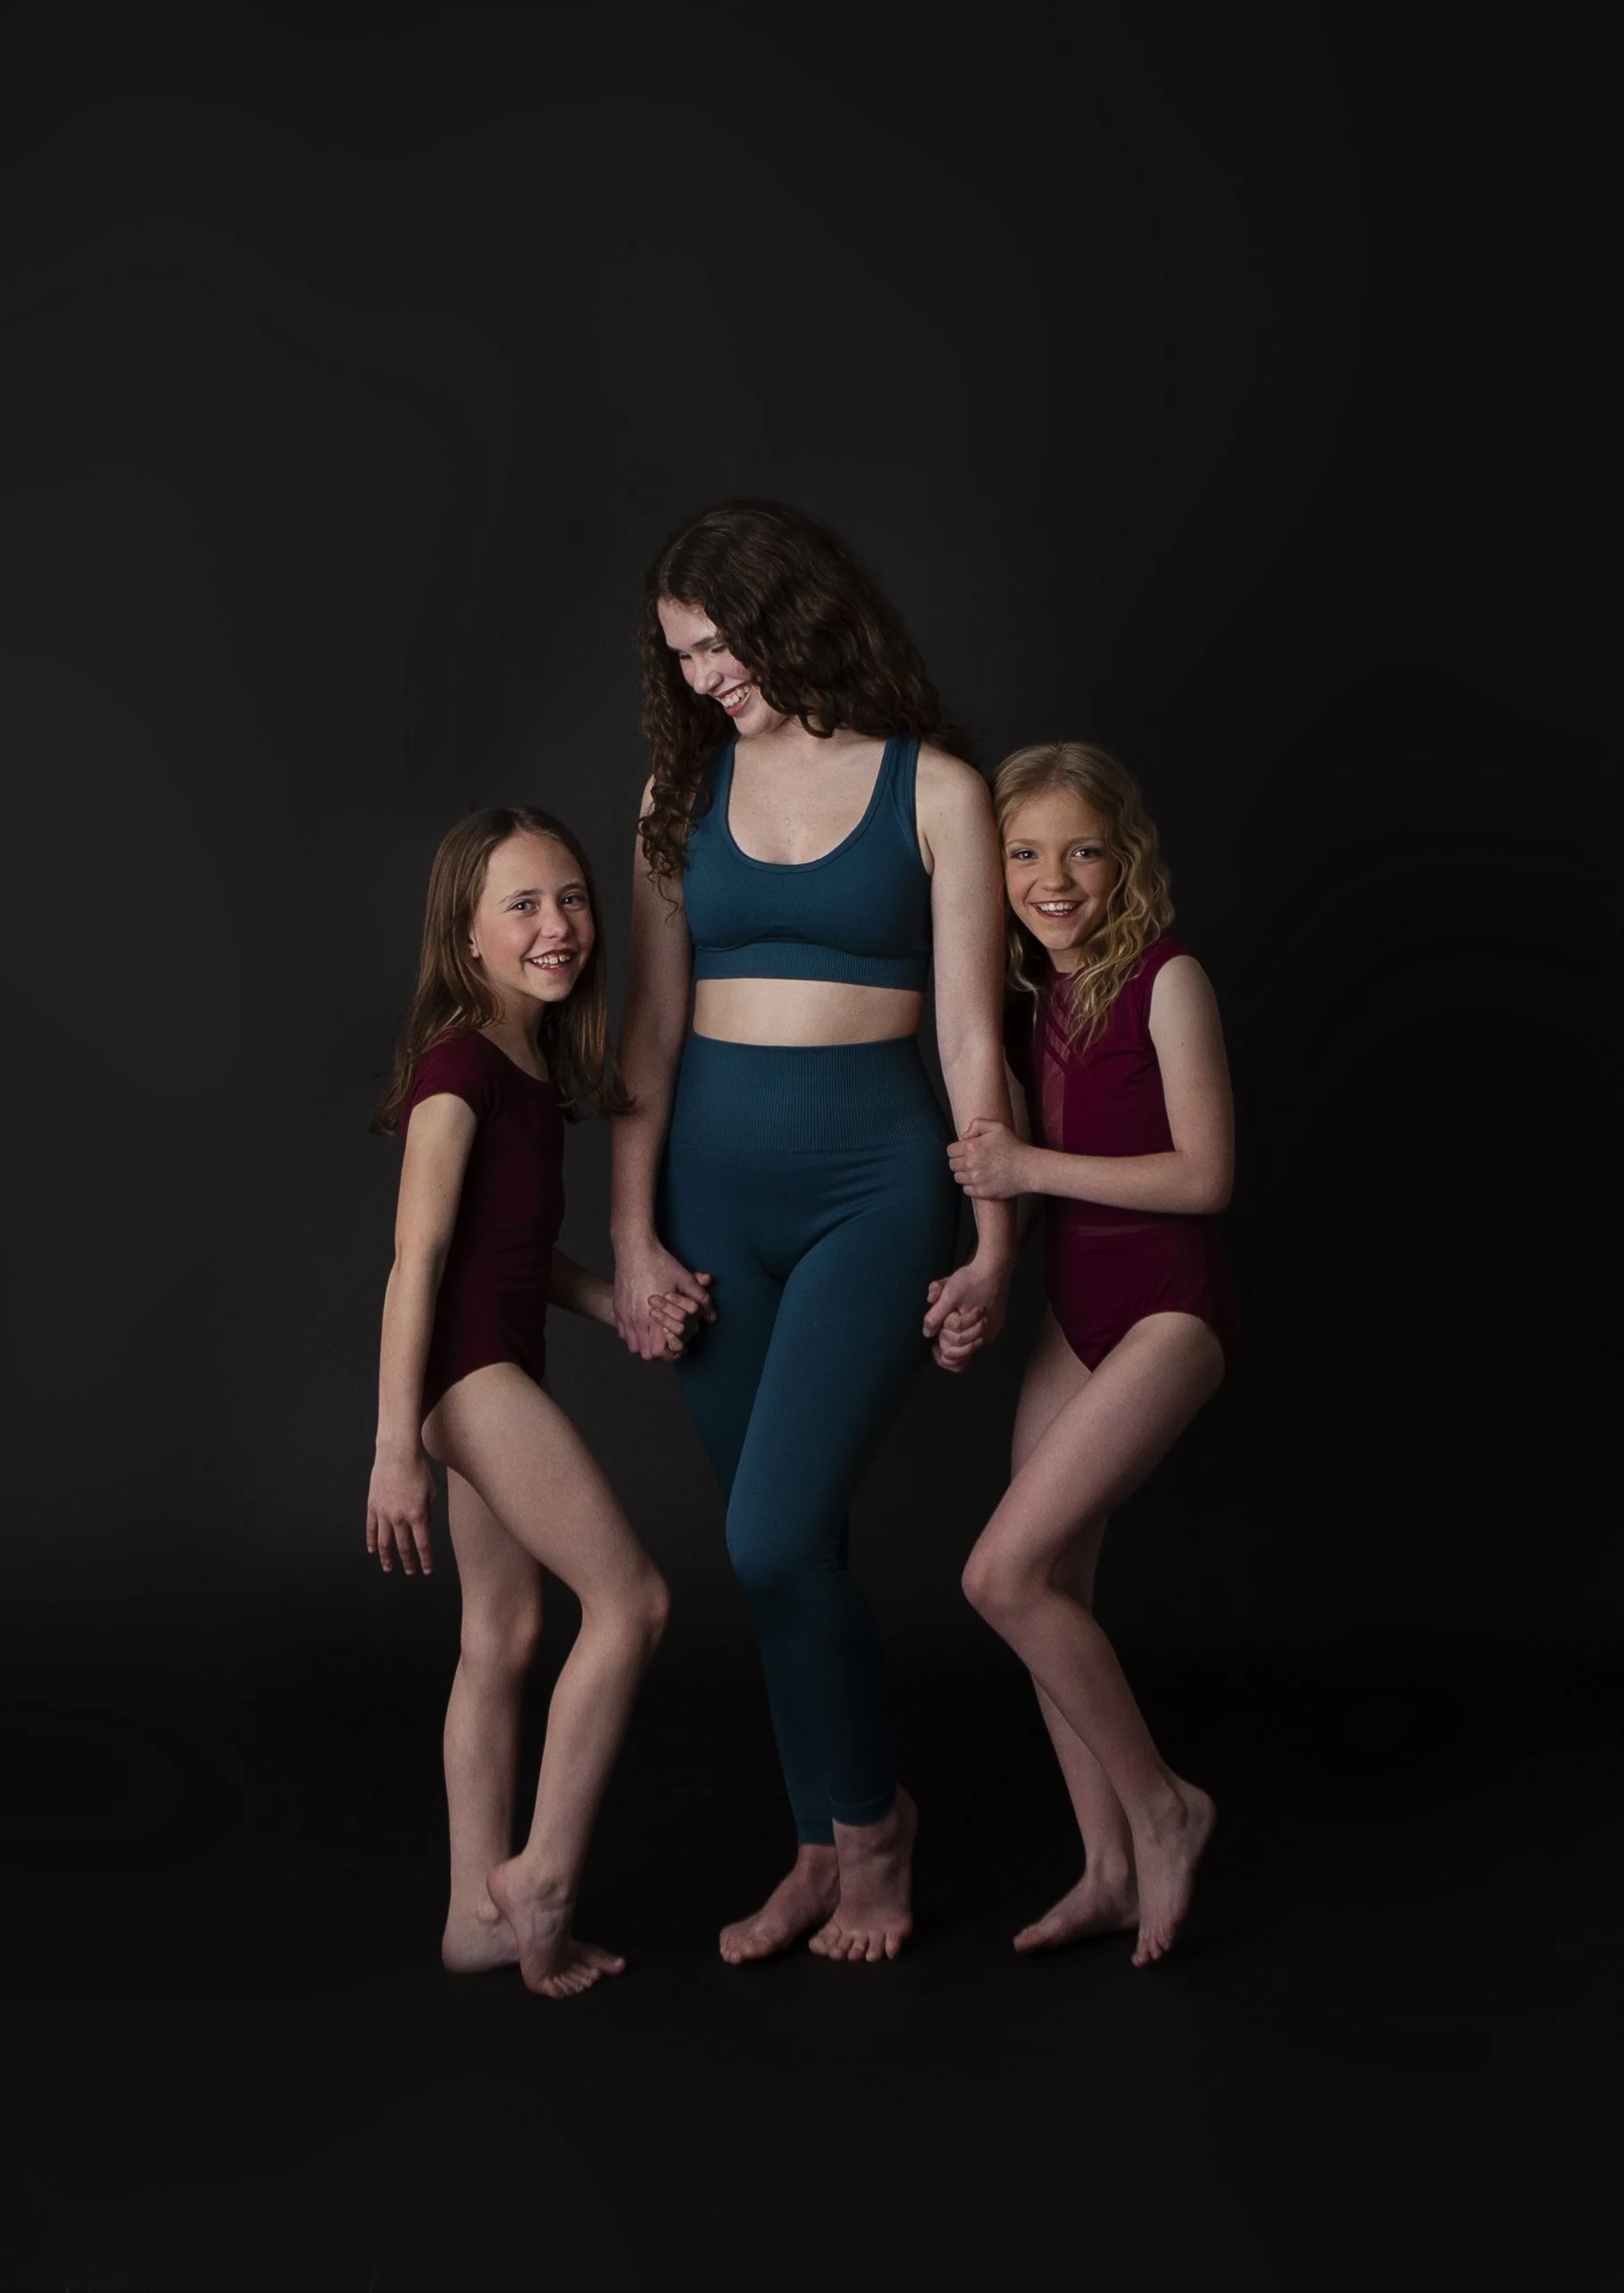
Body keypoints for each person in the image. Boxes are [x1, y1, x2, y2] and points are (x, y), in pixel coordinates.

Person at [612, 501, 1014, 1965]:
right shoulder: (677, 791)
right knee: (790, 1551)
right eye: (681, 654)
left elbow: (973, 1034)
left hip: (872, 1190)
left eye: (717, 643)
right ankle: (817, 1844)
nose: (703, 675)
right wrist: (635, 1234)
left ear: (789, 616)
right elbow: (645, 1036)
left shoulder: (939, 791)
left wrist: (994, 1237)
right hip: (710, 1198)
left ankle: (875, 1828)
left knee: (772, 1530)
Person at [367, 806, 683, 1998]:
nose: (557, 927)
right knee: (633, 1601)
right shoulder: (458, 1067)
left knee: (500, 1639)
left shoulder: (526, 1064)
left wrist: (620, 1306)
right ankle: (539, 1876)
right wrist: (398, 1445)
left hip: (492, 1365)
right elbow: (419, 1259)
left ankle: (470, 1916)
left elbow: (512, 1255)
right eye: (522, 907)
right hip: (466, 1378)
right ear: (467, 936)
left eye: (571, 899)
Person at [948, 741, 1236, 1967]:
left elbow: (1204, 1177)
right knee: (1049, 1589)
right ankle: (1106, 1869)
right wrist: (984, 1268)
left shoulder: (1168, 980)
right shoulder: (1021, 998)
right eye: (1023, 852)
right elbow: (997, 1183)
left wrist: (1024, 1170)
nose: (1051, 877)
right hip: (1071, 1315)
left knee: (998, 1576)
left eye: (1080, 850)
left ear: (1124, 860)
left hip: (1168, 1312)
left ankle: (1166, 1809)